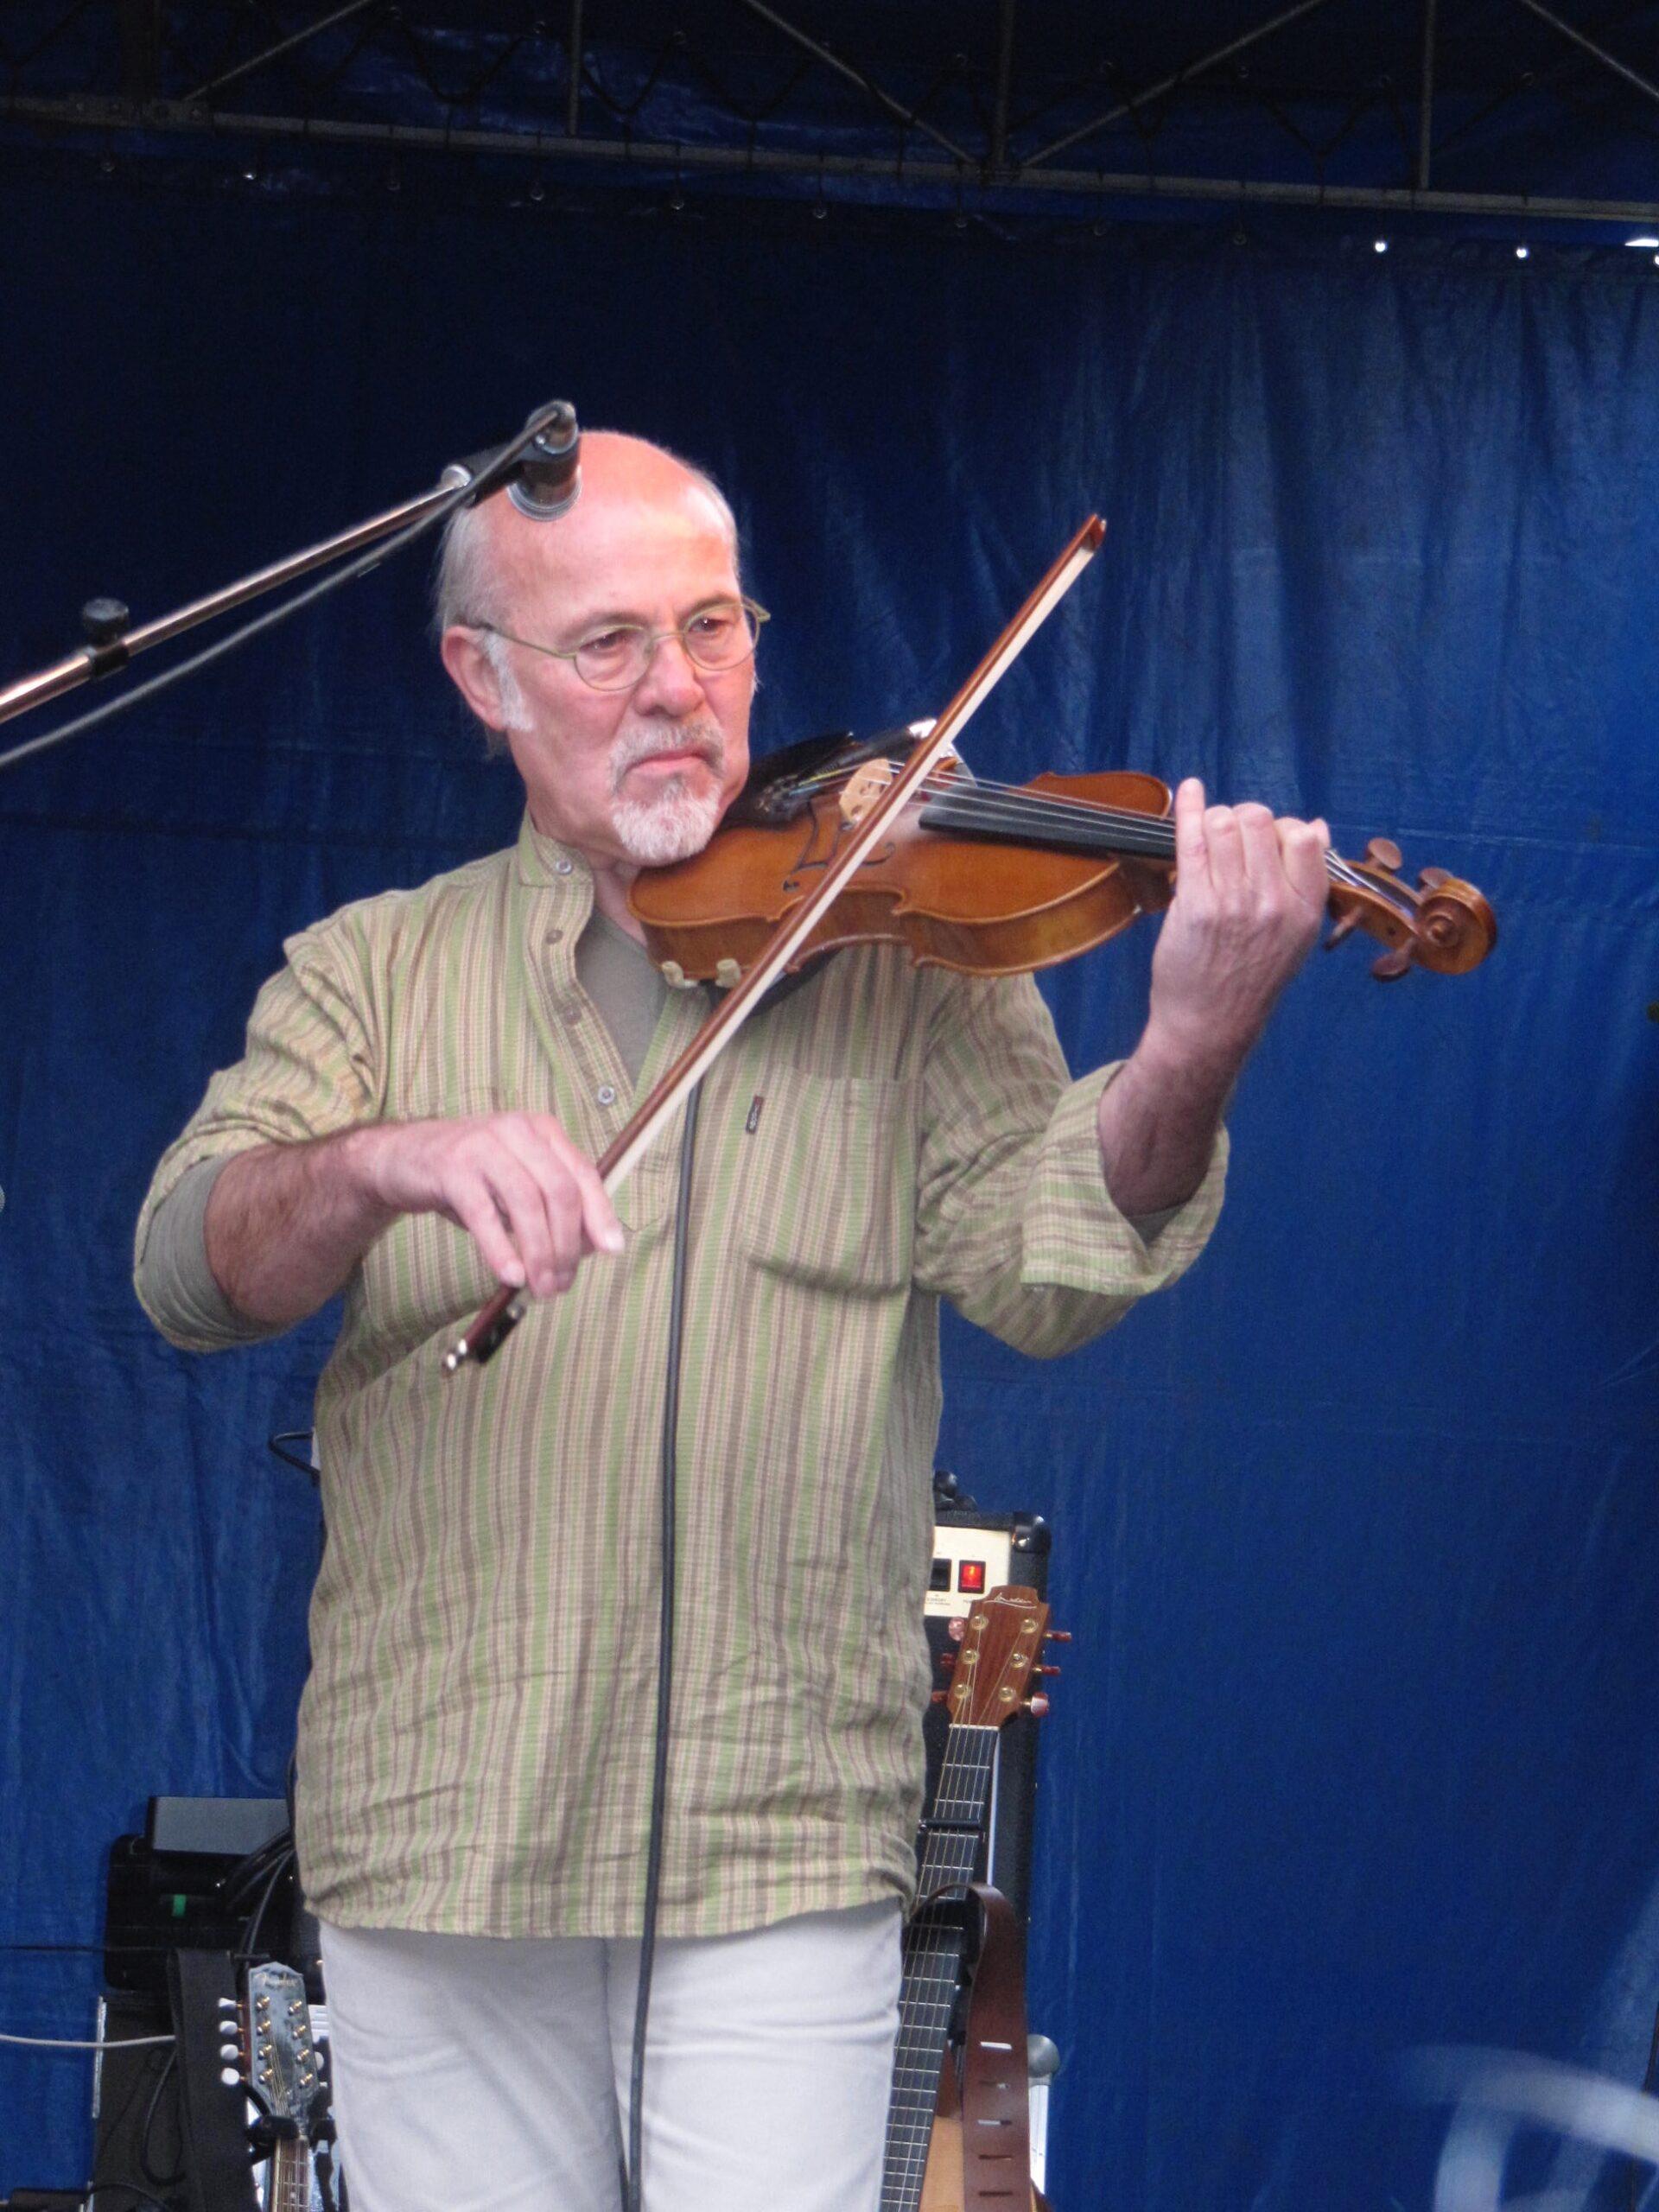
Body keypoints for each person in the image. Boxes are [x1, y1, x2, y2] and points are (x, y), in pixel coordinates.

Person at [134, 432, 1330, 2212]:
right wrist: (391, 1159)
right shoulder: (371, 971)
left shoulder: (907, 960)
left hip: (776, 1842)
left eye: (712, 626)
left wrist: (1192, 1047)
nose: (679, 687)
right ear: (482, 675)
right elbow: (190, 1263)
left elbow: (1058, 1261)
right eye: (606, 642)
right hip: (448, 1827)